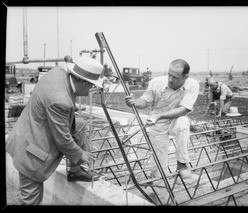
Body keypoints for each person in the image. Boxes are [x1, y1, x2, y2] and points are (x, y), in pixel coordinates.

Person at [6, 56, 106, 205]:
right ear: (83, 82)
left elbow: (53, 102)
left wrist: (71, 110)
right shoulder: (61, 101)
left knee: (79, 124)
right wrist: (80, 154)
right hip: (30, 153)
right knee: (32, 200)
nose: (91, 89)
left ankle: (75, 171)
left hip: (27, 131)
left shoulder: (58, 72)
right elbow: (63, 140)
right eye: (91, 85)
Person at [125, 59, 199, 183]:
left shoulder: (192, 85)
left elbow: (184, 109)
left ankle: (182, 164)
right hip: (157, 121)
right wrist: (134, 102)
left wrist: (160, 116)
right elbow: (146, 101)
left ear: (186, 76)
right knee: (158, 165)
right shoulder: (156, 83)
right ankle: (159, 180)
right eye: (169, 74)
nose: (170, 79)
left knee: (183, 123)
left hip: (174, 119)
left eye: (175, 77)